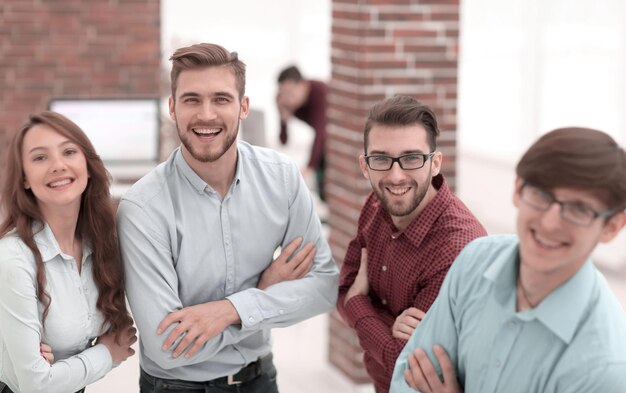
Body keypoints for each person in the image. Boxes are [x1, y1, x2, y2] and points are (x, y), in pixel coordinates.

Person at [117, 43, 338, 393]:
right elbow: (168, 346)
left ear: (243, 107)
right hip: (176, 387)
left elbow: (324, 287)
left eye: (221, 99)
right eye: (192, 100)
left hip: (260, 380)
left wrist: (229, 311)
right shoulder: (143, 208)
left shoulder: (281, 178)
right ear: (173, 108)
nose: (207, 115)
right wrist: (262, 294)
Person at [391, 127, 626, 393]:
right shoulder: (474, 262)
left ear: (612, 226)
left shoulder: (606, 367)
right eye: (540, 195)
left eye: (578, 209)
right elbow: (408, 378)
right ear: (517, 190)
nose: (549, 223)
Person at [336, 95, 486, 393]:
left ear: (435, 164)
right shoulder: (376, 204)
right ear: (365, 166)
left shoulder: (457, 248)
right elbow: (342, 289)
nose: (395, 176)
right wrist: (385, 326)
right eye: (380, 159)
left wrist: (358, 304)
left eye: (411, 158)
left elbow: (405, 361)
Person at [0, 111, 137, 393]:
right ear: (24, 178)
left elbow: (121, 333)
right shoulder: (14, 258)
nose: (57, 165)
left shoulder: (100, 244)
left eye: (69, 151)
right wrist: (106, 354)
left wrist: (59, 370)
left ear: (87, 165)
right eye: (40, 158)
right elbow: (35, 385)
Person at [276, 65, 328, 201]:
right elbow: (283, 140)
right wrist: (283, 119)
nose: (288, 98)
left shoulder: (319, 91)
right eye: (284, 93)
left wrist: (309, 167)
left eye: (291, 92)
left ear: (303, 85)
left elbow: (320, 132)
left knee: (324, 181)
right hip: (322, 138)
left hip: (333, 133)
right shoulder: (283, 100)